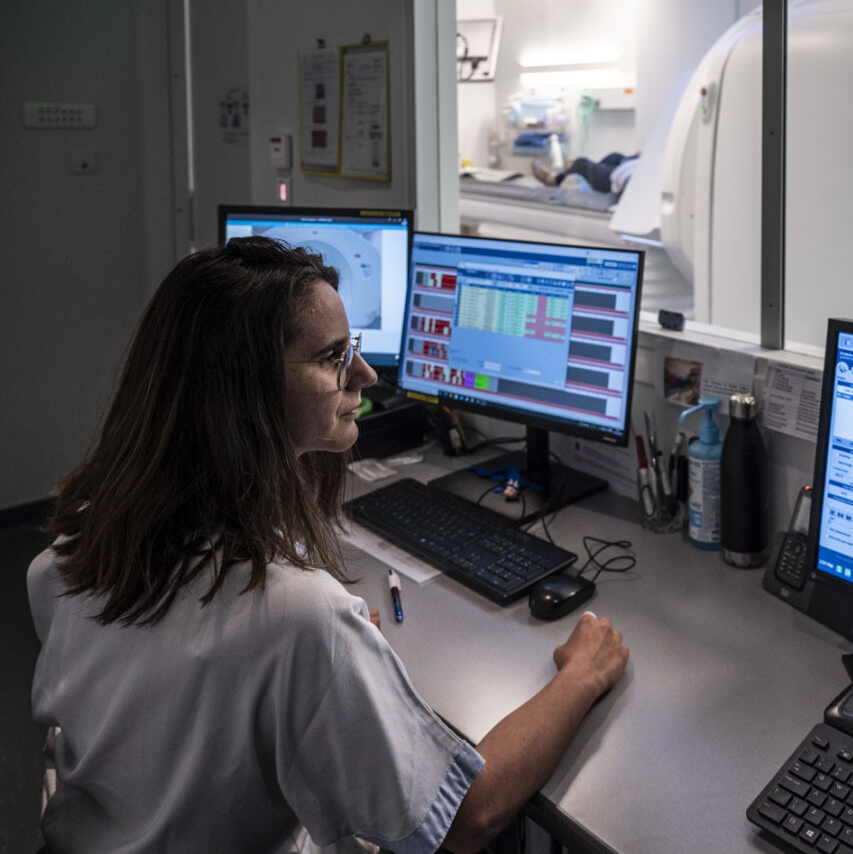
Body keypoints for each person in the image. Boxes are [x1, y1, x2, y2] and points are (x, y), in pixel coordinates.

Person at [27, 237, 629, 853]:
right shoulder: (294, 615)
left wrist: (314, 656)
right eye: (334, 356)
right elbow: (465, 819)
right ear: (244, 390)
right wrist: (582, 674)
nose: (366, 375)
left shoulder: (74, 550)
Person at [532, 152, 638, 196]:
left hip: (616, 179)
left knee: (581, 163)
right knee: (614, 157)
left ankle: (555, 179)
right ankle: (572, 169)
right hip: (629, 166)